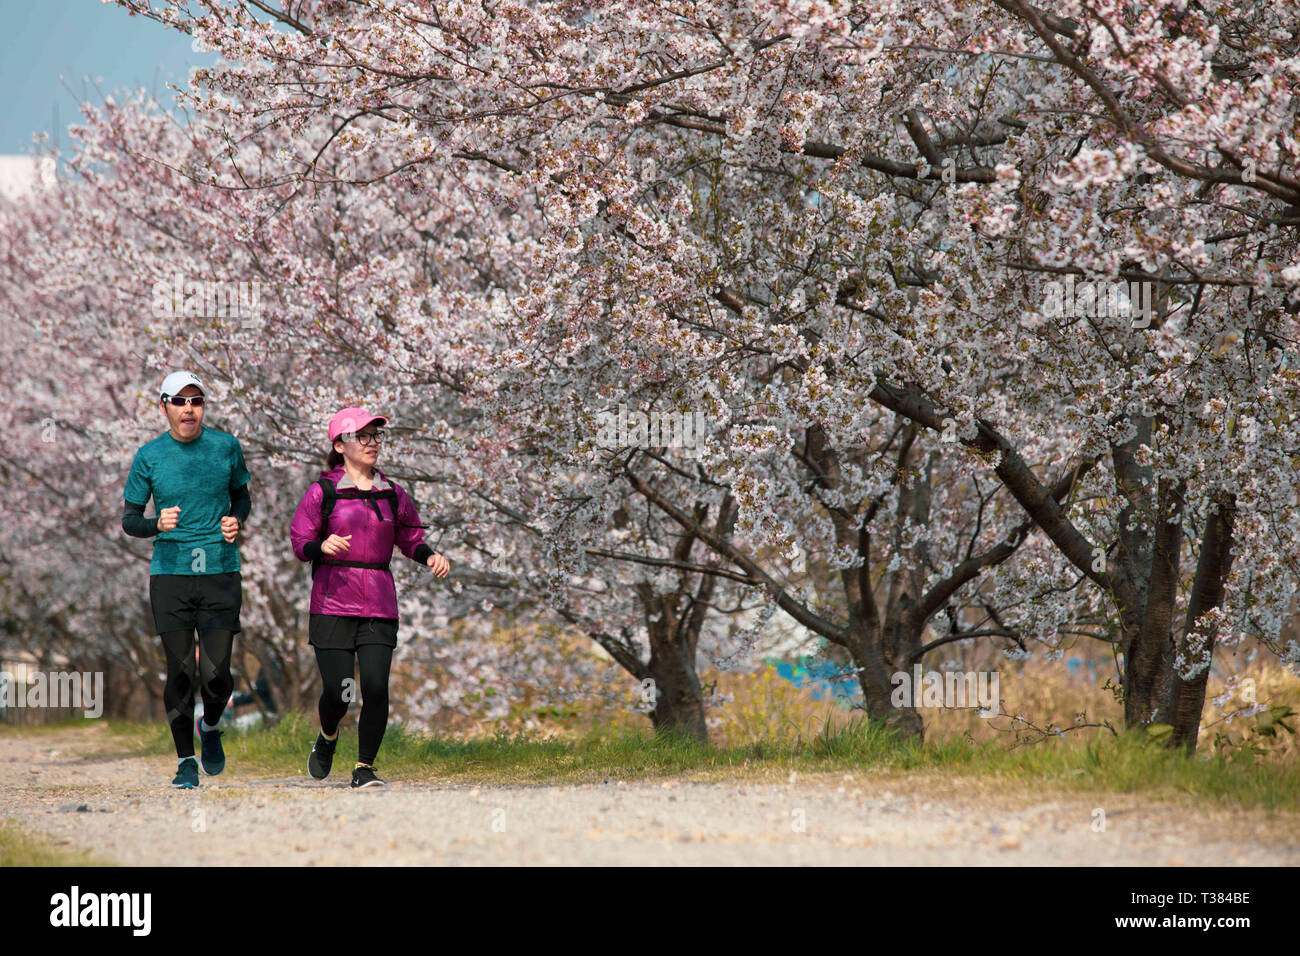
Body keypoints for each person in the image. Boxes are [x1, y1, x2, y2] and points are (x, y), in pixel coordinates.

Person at [289, 407, 450, 788]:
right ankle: (328, 734)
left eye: (376, 436)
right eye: (363, 436)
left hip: (379, 602)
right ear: (340, 445)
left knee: (376, 685)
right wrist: (321, 545)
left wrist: (431, 556)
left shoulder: (393, 493)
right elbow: (300, 542)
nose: (372, 443)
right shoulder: (323, 492)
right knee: (339, 691)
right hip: (332, 603)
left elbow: (409, 537)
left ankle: (364, 768)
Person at [121, 371, 251, 789]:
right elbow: (129, 521)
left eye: (195, 401)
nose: (188, 408)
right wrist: (156, 523)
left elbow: (242, 495)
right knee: (179, 670)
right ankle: (184, 762)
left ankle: (210, 726)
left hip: (219, 571)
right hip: (171, 576)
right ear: (164, 408)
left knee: (216, 674)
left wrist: (236, 518)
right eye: (179, 401)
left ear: (203, 407)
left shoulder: (226, 446)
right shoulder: (149, 456)